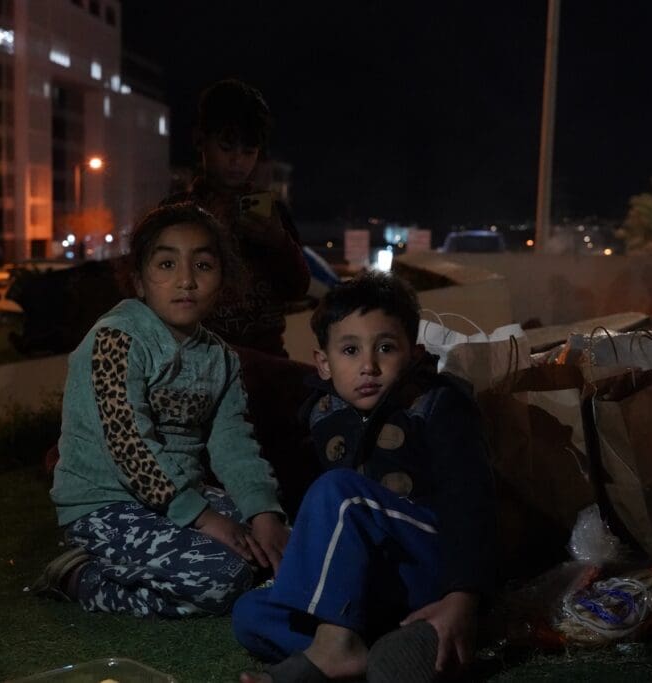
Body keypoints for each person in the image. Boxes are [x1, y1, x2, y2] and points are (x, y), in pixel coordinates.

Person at [231, 272, 497, 683]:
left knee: (340, 492)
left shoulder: (438, 405)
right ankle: (384, 647)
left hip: (432, 561)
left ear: (413, 353)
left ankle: (337, 648)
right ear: (324, 363)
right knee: (250, 614)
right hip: (381, 582)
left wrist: (463, 596)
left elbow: (472, 504)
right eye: (350, 350)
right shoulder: (324, 416)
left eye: (386, 348)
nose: (369, 366)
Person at [30, 202, 289, 618]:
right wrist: (206, 520)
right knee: (219, 577)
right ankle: (80, 575)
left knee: (282, 547)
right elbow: (128, 446)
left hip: (185, 498)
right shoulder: (116, 340)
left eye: (203, 266)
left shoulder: (220, 358)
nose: (185, 280)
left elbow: (235, 445)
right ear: (138, 280)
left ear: (222, 279)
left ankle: (237, 567)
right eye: (167, 264)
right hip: (106, 504)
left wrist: (262, 513)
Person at [163, 78, 310, 358]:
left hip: (266, 361)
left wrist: (278, 242)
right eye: (227, 148)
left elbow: (297, 288)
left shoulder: (272, 213)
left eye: (248, 152)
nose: (237, 161)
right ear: (199, 140)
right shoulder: (176, 214)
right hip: (200, 363)